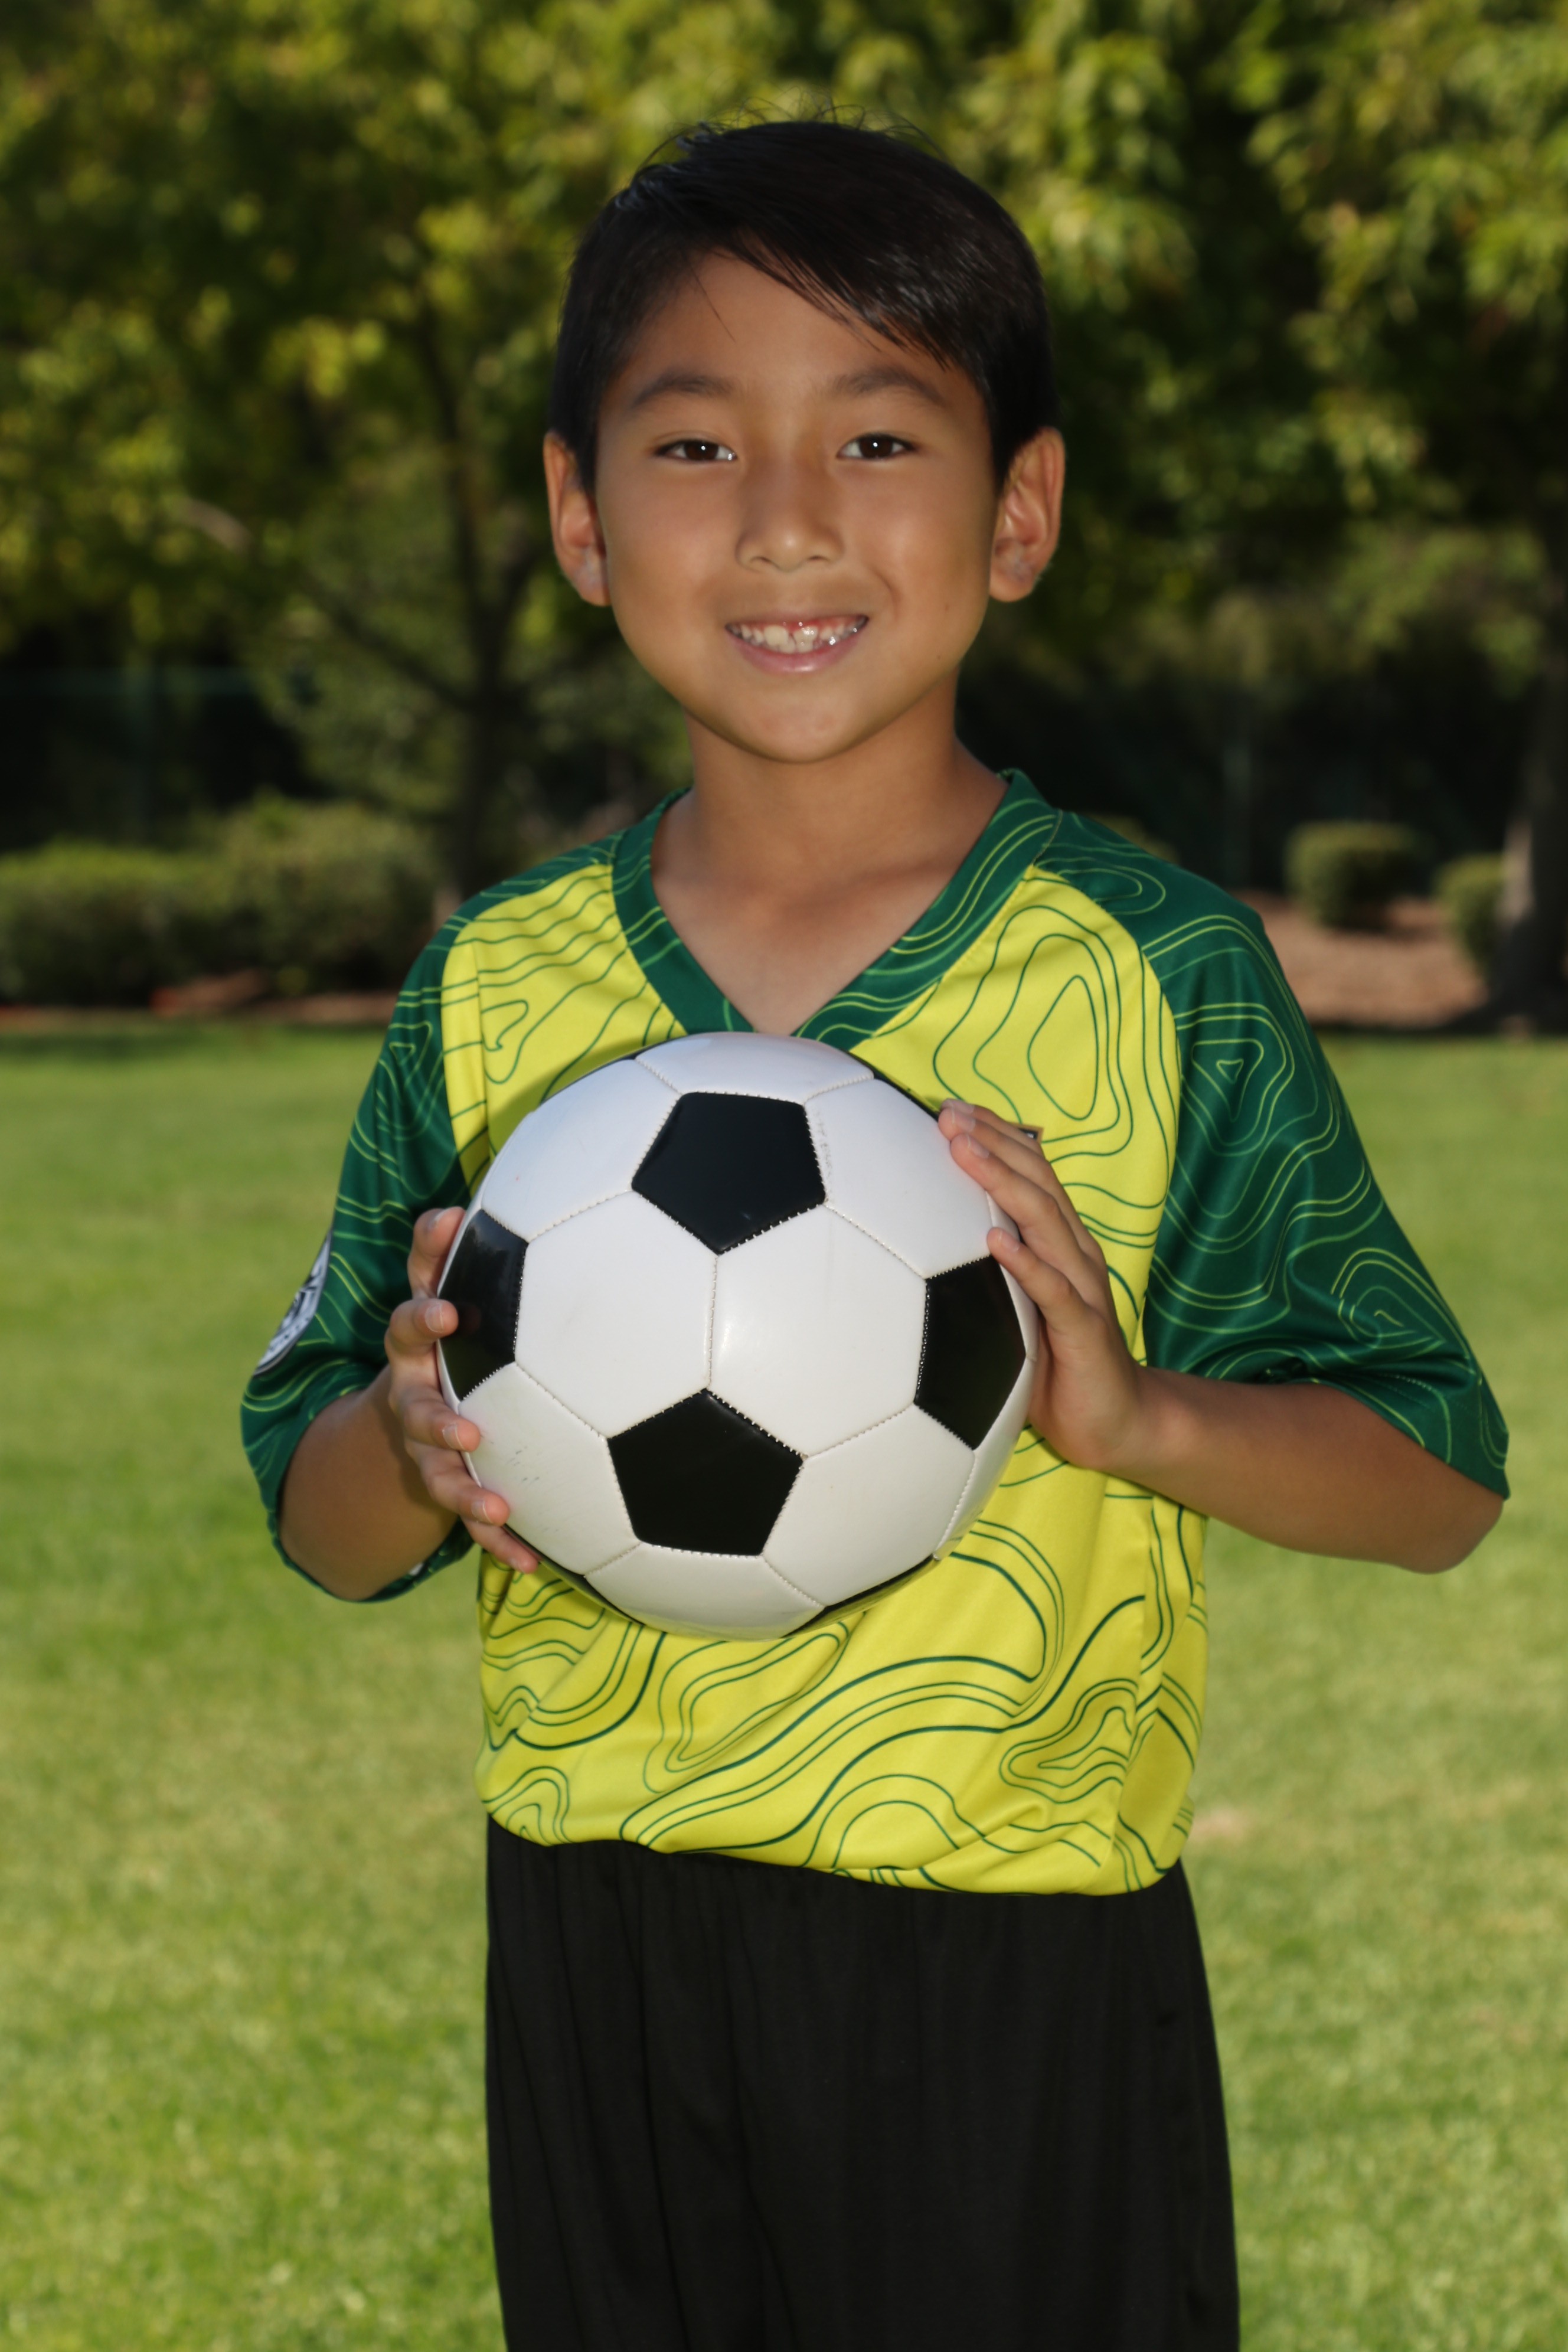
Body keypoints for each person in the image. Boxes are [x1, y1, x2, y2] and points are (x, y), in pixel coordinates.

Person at [241, 117, 1507, 2352]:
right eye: (696, 443)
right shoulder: (500, 990)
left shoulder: (1157, 971)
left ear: (1021, 510)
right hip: (600, 1951)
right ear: (578, 515)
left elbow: (1435, 1480)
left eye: (882, 435)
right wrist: (411, 1445)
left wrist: (1137, 1419)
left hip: (1018, 1961)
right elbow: (320, 1516)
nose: (789, 519)